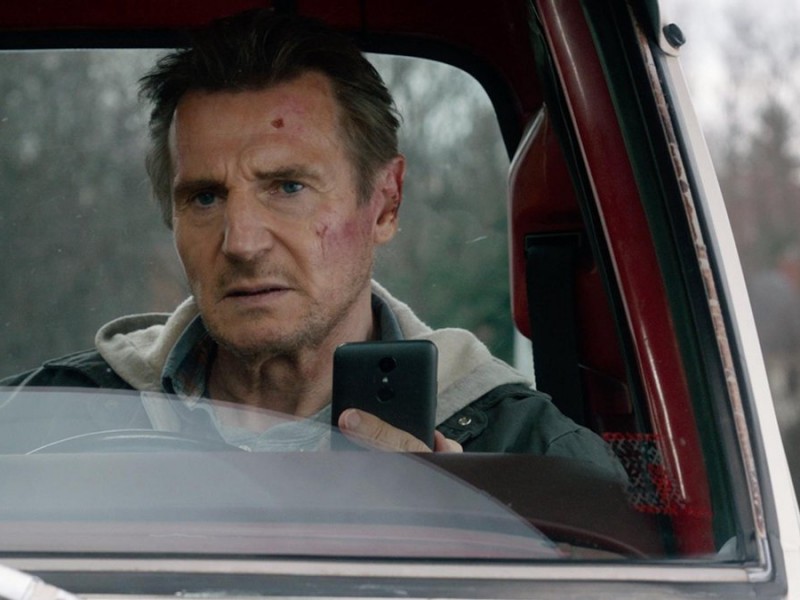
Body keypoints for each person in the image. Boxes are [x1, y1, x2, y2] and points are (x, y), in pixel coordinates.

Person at [1, 9, 625, 480]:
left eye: (288, 187)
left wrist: (469, 538)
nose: (242, 242)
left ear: (385, 203)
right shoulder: (42, 419)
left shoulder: (532, 458)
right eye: (205, 197)